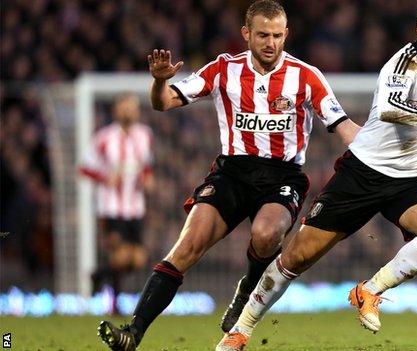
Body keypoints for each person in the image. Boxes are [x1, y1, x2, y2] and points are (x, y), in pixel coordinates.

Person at [216, 1, 417, 349]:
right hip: (363, 171)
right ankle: (241, 330)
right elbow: (389, 109)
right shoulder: (402, 64)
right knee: (296, 257)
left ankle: (370, 291)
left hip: (409, 176)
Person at [97, 1, 360, 350]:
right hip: (232, 172)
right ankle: (134, 333)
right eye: (263, 35)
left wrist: (375, 146)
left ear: (286, 34)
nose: (270, 43)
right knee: (187, 246)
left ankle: (246, 291)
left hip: (282, 175)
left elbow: (342, 126)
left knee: (267, 234)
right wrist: (160, 82)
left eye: (277, 35)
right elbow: (164, 102)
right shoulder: (223, 69)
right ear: (246, 34)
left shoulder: (306, 76)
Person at [79, 93, 154, 314]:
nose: (130, 111)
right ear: (117, 111)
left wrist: (148, 177)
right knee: (120, 256)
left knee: (137, 259)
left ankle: (98, 275)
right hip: (110, 207)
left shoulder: (145, 135)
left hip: (136, 207)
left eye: (133, 107)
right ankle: (114, 305)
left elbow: (146, 163)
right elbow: (84, 168)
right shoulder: (104, 138)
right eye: (125, 107)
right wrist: (105, 178)